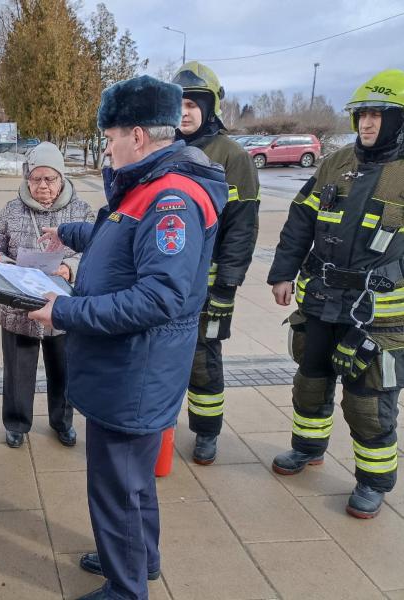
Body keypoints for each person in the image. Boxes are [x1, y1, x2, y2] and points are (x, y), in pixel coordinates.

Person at [29, 75, 227, 600]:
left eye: (110, 136)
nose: (106, 146)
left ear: (137, 135)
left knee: (116, 487)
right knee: (134, 482)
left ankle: (125, 587)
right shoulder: (149, 185)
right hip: (129, 368)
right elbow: (120, 232)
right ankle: (142, 559)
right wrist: (69, 234)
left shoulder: (171, 198)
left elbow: (160, 295)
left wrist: (65, 312)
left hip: (134, 372)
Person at [267, 69, 404, 519]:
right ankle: (307, 448)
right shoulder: (335, 162)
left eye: (378, 115)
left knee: (368, 401)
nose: (367, 123)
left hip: (378, 314)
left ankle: (373, 482)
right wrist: (282, 272)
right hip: (321, 299)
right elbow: (300, 220)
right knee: (311, 382)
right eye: (362, 114)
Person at [171, 62, 261, 464]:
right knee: (163, 354)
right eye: (179, 104)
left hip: (208, 286)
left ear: (210, 108)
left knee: (203, 359)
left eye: (193, 103)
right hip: (165, 280)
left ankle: (206, 432)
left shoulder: (231, 155)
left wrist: (227, 285)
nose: (185, 112)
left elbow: (242, 227)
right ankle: (160, 422)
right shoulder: (166, 149)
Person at [0, 142, 95, 449]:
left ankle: (62, 422)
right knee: (18, 370)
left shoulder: (80, 209)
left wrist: (69, 267)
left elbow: (95, 254)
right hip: (18, 306)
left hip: (62, 307)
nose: (43, 185)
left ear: (61, 178)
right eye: (36, 179)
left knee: (63, 368)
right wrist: (2, 263)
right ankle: (16, 423)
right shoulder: (12, 208)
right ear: (27, 179)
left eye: (50, 179)